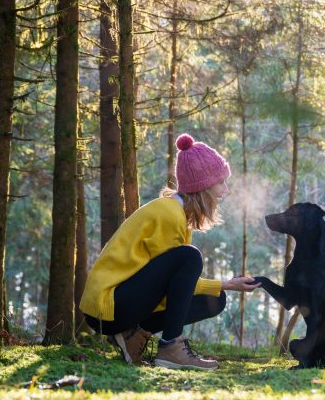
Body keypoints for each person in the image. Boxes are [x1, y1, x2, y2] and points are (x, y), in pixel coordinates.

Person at [80, 134, 260, 370]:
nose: (225, 190)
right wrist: (225, 283)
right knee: (190, 256)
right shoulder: (169, 214)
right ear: (202, 187)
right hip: (107, 306)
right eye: (221, 183)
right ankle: (171, 348)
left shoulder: (177, 214)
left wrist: (224, 286)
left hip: (120, 304)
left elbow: (171, 286)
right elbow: (170, 284)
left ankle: (132, 337)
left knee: (215, 300)